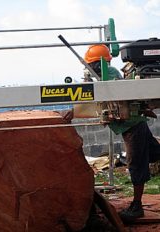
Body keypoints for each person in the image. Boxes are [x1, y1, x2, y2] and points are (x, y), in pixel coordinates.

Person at [63, 44, 160, 223]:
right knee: (155, 153)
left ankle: (137, 207)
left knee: (136, 165)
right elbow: (92, 97)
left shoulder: (109, 74)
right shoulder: (103, 75)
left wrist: (73, 111)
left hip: (133, 127)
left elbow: (96, 96)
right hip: (133, 125)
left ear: (99, 63)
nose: (89, 68)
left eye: (91, 64)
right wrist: (73, 111)